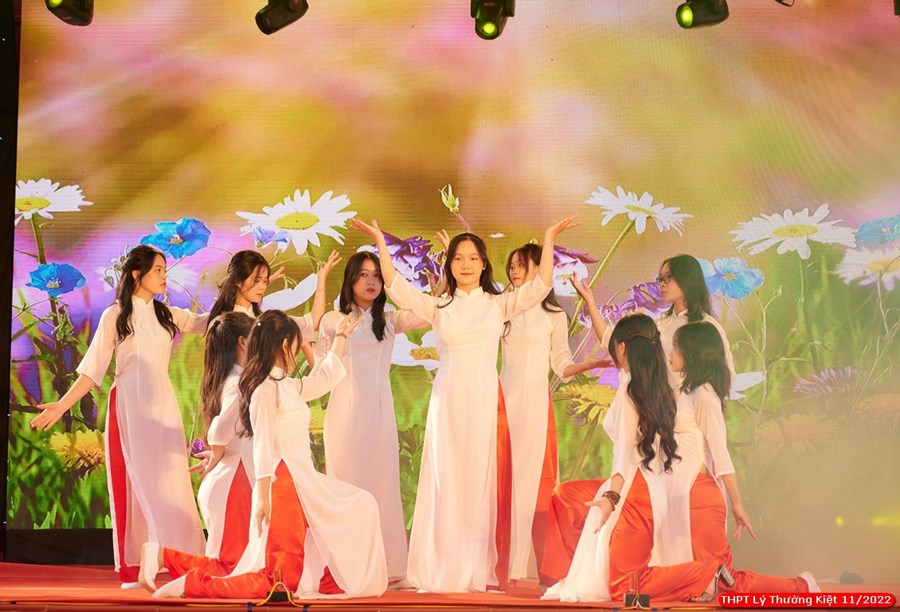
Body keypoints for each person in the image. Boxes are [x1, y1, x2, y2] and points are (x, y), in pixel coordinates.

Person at [352, 215, 578, 593]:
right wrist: (379, 241)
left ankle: (475, 569)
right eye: (458, 258)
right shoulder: (440, 305)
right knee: (446, 481)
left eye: (473, 258)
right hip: (448, 400)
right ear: (450, 264)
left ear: (484, 264)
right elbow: (397, 287)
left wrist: (549, 236)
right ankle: (440, 567)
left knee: (479, 484)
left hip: (485, 401)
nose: (466, 265)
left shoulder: (498, 305)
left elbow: (541, 286)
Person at [143, 310, 388, 600]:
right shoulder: (263, 390)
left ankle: (333, 579)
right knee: (278, 581)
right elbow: (263, 446)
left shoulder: (286, 385)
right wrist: (262, 497)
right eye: (297, 343)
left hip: (302, 481)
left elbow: (324, 379)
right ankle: (193, 584)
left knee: (362, 505)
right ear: (285, 345)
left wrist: (342, 338)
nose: (298, 350)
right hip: (281, 482)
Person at [543, 253, 737, 579]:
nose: (662, 284)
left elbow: (722, 376)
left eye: (668, 277)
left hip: (680, 431)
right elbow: (620, 345)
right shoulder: (659, 325)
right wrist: (591, 304)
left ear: (688, 279)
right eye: (659, 278)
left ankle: (685, 576)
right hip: (652, 425)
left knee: (671, 514)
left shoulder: (705, 328)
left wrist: (688, 401)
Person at [30, 245, 208, 587]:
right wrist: (62, 405)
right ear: (137, 274)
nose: (164, 276)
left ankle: (182, 561)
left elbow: (205, 323)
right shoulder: (115, 316)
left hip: (164, 405)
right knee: (135, 483)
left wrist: (239, 295)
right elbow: (92, 370)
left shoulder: (166, 314)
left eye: (165, 270)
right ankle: (138, 564)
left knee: (173, 482)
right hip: (130, 404)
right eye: (158, 270)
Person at [543, 314, 720, 602]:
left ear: (623, 348)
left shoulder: (631, 391)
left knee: (624, 585)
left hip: (634, 488)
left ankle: (707, 573)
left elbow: (624, 453)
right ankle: (703, 574)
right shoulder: (663, 386)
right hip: (653, 486)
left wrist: (611, 497)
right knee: (621, 576)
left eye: (614, 346)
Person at [667, 321, 817, 598]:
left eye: (676, 346)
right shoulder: (683, 393)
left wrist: (737, 504)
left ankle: (802, 587)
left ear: (692, 352)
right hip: (681, 495)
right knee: (694, 578)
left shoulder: (704, 395)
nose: (671, 352)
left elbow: (721, 455)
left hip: (700, 496)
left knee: (725, 581)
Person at [313, 251, 429, 586]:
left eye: (377, 275)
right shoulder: (335, 319)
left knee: (383, 488)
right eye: (363, 274)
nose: (371, 281)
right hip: (345, 415)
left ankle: (391, 569)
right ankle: (345, 568)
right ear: (350, 280)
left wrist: (438, 276)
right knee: (346, 487)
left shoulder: (390, 321)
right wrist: (321, 282)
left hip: (380, 415)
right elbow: (319, 338)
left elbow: (429, 311)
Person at [499, 243, 609, 581]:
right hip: (503, 400)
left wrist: (589, 364)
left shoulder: (554, 316)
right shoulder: (503, 307)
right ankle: (500, 561)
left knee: (534, 481)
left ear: (540, 268)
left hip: (534, 403)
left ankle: (529, 564)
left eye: (521, 265)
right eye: (511, 266)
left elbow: (561, 364)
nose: (514, 272)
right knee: (501, 477)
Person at [191, 311, 255, 572]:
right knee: (228, 570)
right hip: (235, 483)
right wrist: (217, 452)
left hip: (233, 477)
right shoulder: (238, 382)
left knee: (233, 569)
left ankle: (160, 558)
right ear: (243, 342)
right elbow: (223, 425)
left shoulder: (227, 378)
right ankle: (160, 558)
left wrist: (218, 453)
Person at [208, 249, 321, 366]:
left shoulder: (262, 318)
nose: (262, 287)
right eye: (257, 281)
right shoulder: (223, 322)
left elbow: (312, 322)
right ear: (238, 281)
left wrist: (321, 280)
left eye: (265, 281)